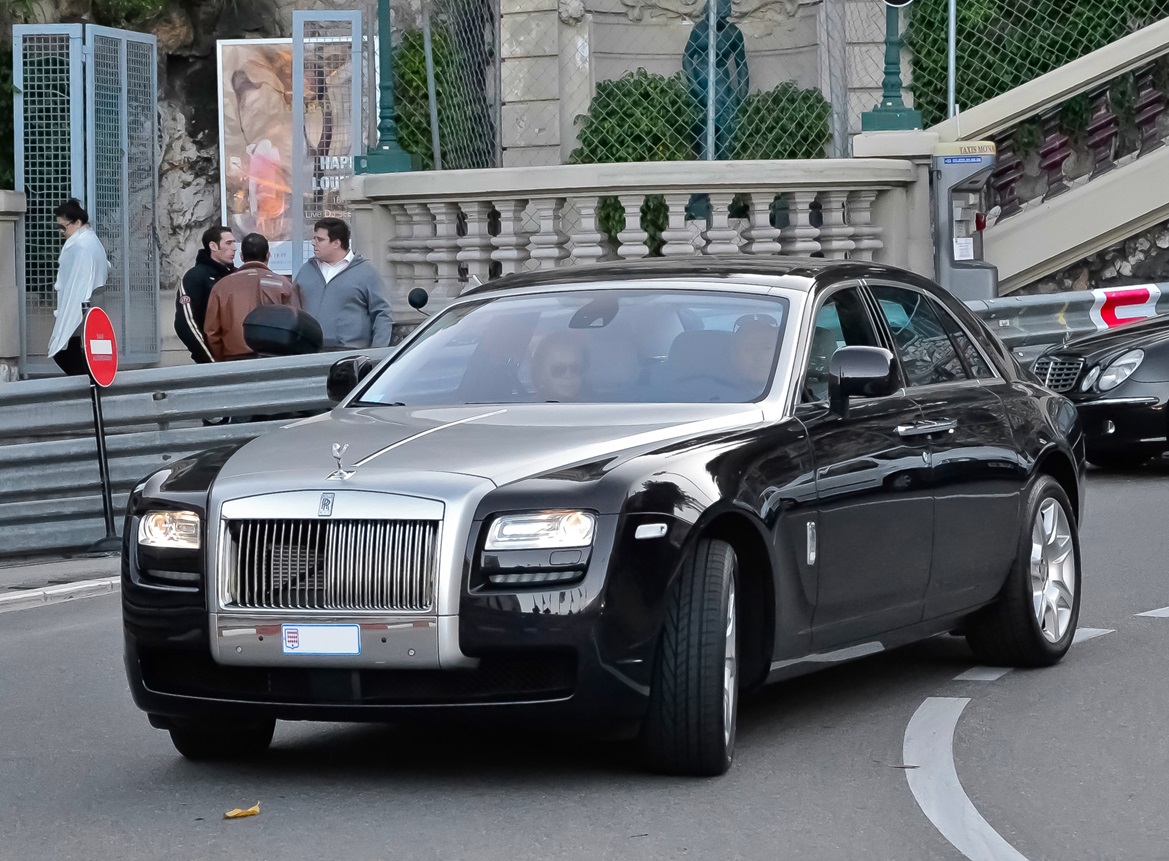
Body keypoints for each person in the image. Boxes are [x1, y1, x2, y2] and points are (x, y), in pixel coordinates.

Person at [293, 218, 391, 349]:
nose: (313, 243)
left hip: (348, 352)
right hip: (308, 351)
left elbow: (382, 313)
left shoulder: (366, 272)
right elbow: (292, 306)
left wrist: (377, 352)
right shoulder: (306, 270)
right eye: (314, 238)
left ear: (336, 243)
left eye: (320, 239)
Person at [203, 232, 301, 361]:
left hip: (234, 359)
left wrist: (221, 359)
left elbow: (212, 332)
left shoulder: (222, 286)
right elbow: (297, 325)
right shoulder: (284, 284)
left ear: (241, 256)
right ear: (268, 255)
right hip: (275, 358)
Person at [47, 199, 110, 375]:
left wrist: (72, 312)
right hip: (88, 304)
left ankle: (86, 391)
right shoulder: (88, 240)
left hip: (83, 304)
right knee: (76, 352)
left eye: (63, 227)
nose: (61, 232)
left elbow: (80, 281)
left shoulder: (82, 246)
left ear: (77, 223)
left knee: (66, 351)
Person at [176, 226, 236, 363]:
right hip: (211, 359)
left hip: (241, 356)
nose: (234, 248)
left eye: (234, 242)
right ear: (213, 246)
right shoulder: (194, 277)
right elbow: (185, 322)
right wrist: (208, 359)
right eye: (228, 243)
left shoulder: (237, 275)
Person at [531, 336, 588, 402]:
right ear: (541, 374)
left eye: (575, 368)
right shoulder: (527, 410)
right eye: (559, 369)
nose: (568, 375)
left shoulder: (600, 407)